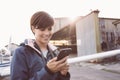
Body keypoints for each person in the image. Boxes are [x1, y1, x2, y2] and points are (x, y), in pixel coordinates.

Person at [11, 11, 70, 80]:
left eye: (49, 29)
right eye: (42, 29)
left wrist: (63, 74)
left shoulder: (55, 52)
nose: (47, 33)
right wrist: (48, 71)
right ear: (33, 29)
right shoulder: (21, 53)